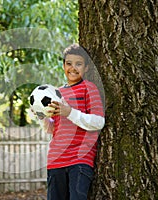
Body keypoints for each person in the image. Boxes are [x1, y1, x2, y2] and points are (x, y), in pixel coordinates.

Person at [34, 43, 105, 200]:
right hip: (56, 160)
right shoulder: (55, 93)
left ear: (86, 68)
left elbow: (98, 122)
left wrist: (70, 112)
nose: (73, 68)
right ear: (63, 65)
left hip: (80, 160)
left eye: (78, 64)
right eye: (69, 63)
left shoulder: (89, 88)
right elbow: (52, 129)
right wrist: (41, 116)